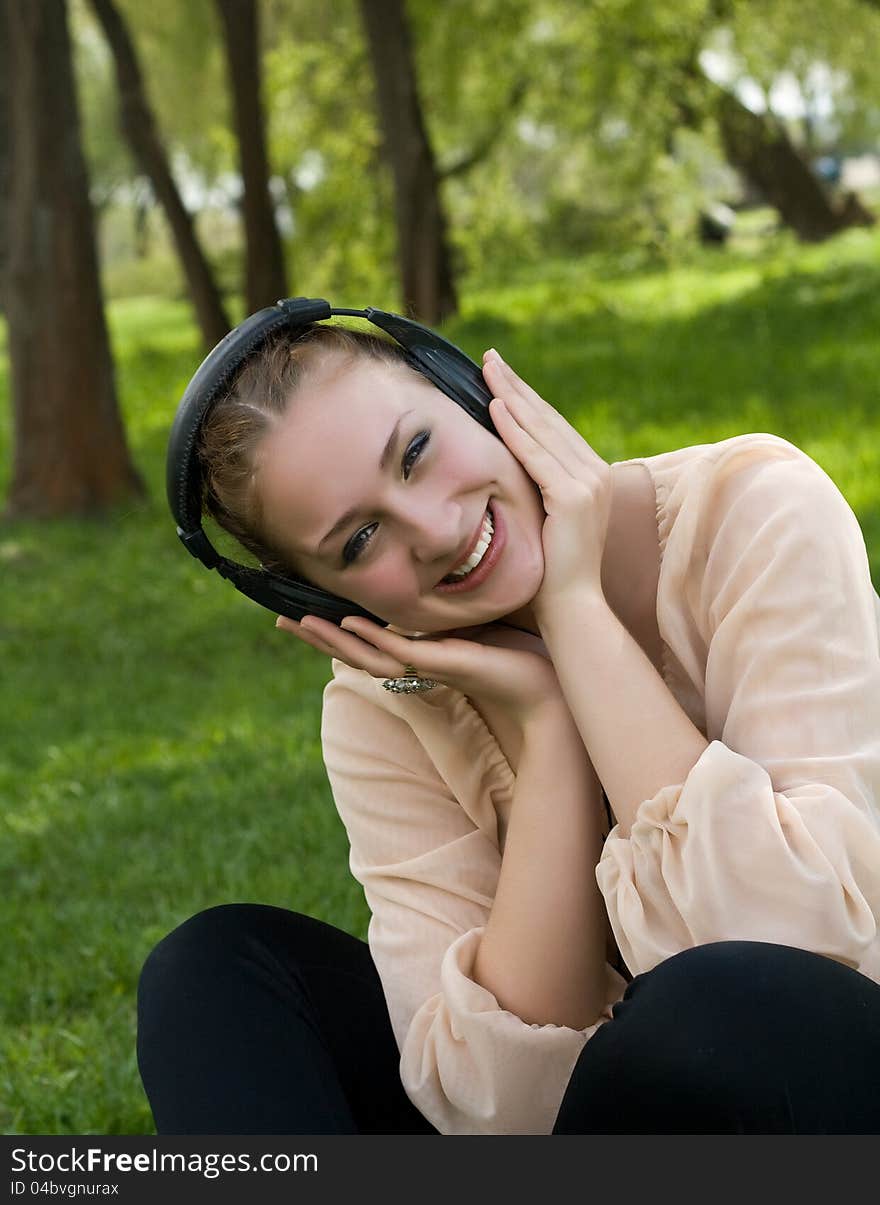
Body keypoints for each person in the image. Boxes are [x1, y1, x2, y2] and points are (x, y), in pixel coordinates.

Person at [137, 321, 880, 1134]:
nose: (437, 530)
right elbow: (500, 1116)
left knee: (715, 1001)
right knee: (213, 971)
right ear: (323, 600)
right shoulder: (382, 704)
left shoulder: (753, 510)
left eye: (415, 452)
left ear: (473, 394)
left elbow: (793, 954)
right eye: (359, 539)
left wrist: (574, 610)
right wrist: (549, 727)